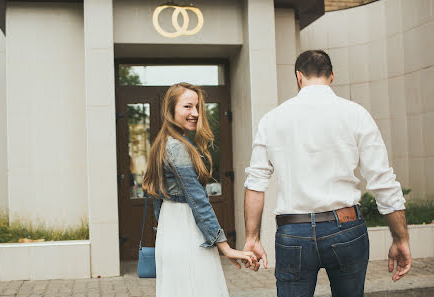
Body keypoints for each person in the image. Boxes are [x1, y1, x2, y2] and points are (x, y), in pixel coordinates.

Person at [243, 50, 412, 297]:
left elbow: (256, 183)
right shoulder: (356, 114)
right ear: (332, 76)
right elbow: (383, 180)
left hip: (293, 231)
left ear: (298, 77)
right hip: (345, 227)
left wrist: (252, 237)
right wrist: (400, 239)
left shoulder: (272, 119)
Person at [142, 82, 256, 297]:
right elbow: (198, 200)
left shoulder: (163, 143)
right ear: (170, 110)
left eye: (197, 107)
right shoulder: (178, 147)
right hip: (187, 233)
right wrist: (225, 247)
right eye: (187, 107)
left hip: (171, 230)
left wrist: (167, 232)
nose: (195, 113)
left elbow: (157, 200)